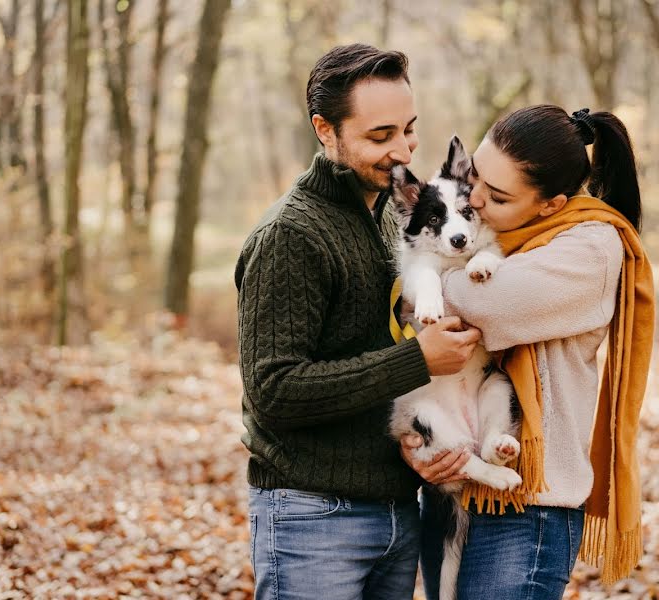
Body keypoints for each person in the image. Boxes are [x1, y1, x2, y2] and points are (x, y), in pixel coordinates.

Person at [234, 44, 482, 600]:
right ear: (326, 130)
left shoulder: (391, 216)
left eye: (410, 130)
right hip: (312, 518)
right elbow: (274, 390)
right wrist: (416, 359)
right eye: (380, 136)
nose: (402, 151)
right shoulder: (292, 235)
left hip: (398, 510)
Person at [401, 105, 655, 600]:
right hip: (460, 482)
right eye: (474, 177)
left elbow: (481, 304)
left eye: (494, 195)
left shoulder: (591, 248)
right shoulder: (494, 236)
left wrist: (423, 277)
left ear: (550, 204)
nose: (471, 199)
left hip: (529, 507)